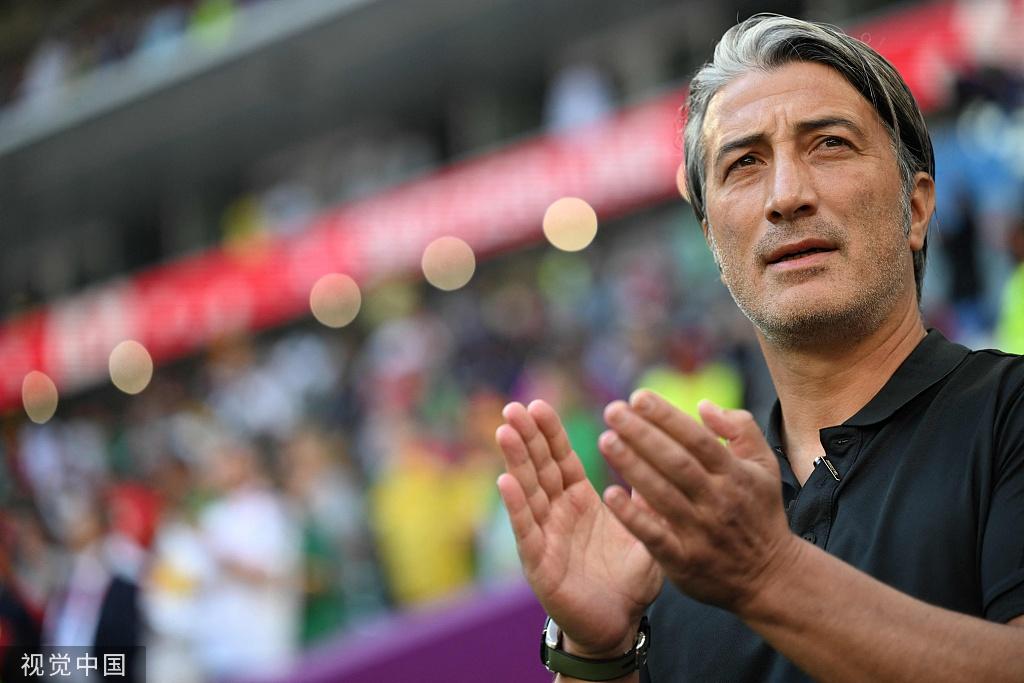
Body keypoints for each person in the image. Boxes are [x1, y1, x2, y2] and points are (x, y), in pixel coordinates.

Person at [495, 14, 1024, 682]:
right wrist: (596, 655)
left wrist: (770, 576)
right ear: (713, 242)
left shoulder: (1006, 419)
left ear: (915, 209)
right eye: (744, 163)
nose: (786, 196)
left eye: (829, 144)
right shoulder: (694, 533)